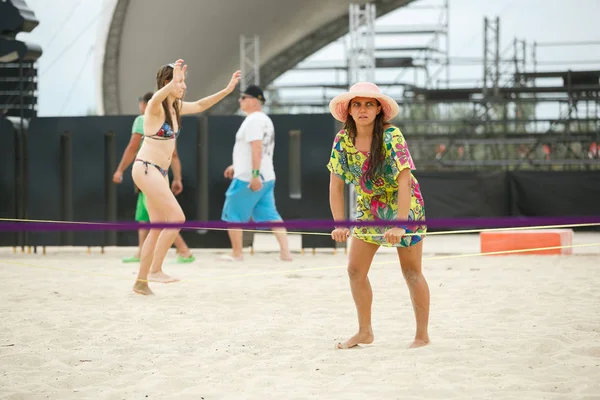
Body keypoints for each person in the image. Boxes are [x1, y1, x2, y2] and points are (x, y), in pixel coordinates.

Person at [327, 82, 430, 349]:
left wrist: (399, 224)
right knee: (354, 270)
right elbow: (336, 185)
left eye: (369, 104)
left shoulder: (391, 135)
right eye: (357, 104)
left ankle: (421, 335)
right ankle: (365, 332)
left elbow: (405, 182)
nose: (362, 109)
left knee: (411, 272)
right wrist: (339, 223)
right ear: (348, 110)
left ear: (378, 110)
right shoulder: (342, 140)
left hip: (404, 206)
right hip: (370, 207)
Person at [131, 59, 241, 295]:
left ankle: (141, 282)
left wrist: (227, 89)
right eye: (180, 82)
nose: (184, 86)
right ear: (167, 83)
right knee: (176, 218)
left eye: (184, 81)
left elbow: (201, 104)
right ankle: (155, 269)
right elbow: (154, 98)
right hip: (146, 167)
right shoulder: (155, 107)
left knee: (157, 226)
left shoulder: (176, 108)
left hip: (159, 171)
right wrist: (172, 82)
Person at [112, 92, 196, 265]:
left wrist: (120, 170)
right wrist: (177, 178)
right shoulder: (170, 121)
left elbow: (132, 148)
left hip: (147, 172)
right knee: (148, 216)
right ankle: (143, 254)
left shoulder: (142, 119)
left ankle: (182, 251)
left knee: (162, 218)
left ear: (145, 104)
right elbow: (174, 155)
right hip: (160, 173)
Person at [221, 85, 292, 262]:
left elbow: (257, 147)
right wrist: (235, 165)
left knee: (233, 213)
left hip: (250, 177)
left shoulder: (253, 121)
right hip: (268, 176)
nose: (240, 101)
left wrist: (253, 175)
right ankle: (286, 253)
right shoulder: (265, 120)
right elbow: (252, 150)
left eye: (243, 98)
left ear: (253, 100)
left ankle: (237, 253)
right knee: (272, 214)